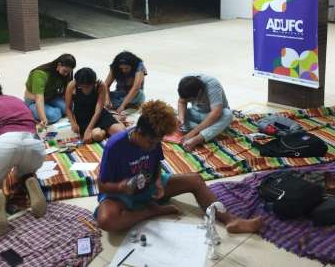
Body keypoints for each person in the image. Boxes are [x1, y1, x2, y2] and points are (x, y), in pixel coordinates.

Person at [95, 99, 262, 234]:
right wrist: (121, 187)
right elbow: (101, 185)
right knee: (106, 220)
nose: (153, 147)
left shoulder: (154, 140)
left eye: (157, 143)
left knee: (195, 180)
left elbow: (156, 164)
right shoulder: (115, 145)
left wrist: (158, 181)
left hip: (148, 187)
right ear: (139, 131)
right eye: (150, 142)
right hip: (123, 194)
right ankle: (150, 211)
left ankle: (231, 220)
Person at [0, 81, 46, 237]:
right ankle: (30, 182)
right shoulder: (15, 100)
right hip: (35, 145)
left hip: (5, 144)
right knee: (24, 170)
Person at [65, 67, 127, 144]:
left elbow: (98, 111)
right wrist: (73, 123)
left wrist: (88, 129)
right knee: (95, 136)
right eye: (81, 86)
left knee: (121, 133)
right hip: (82, 117)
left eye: (88, 86)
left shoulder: (101, 85)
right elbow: (68, 108)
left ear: (94, 83)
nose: (85, 89)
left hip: (98, 114)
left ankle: (115, 120)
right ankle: (104, 130)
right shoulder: (72, 85)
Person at [177, 74, 233, 151]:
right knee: (175, 113)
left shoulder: (212, 85)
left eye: (190, 100)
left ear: (200, 92)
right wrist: (181, 119)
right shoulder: (185, 84)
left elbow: (216, 113)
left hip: (213, 116)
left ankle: (197, 139)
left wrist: (192, 133)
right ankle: (210, 132)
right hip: (197, 113)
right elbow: (181, 102)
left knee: (228, 115)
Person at [24, 54, 76, 126]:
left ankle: (52, 109)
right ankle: (32, 109)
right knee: (52, 116)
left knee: (70, 108)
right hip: (34, 101)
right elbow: (39, 98)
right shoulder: (40, 74)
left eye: (69, 72)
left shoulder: (63, 74)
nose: (66, 74)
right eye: (65, 71)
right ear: (59, 65)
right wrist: (43, 118)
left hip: (51, 97)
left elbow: (68, 92)